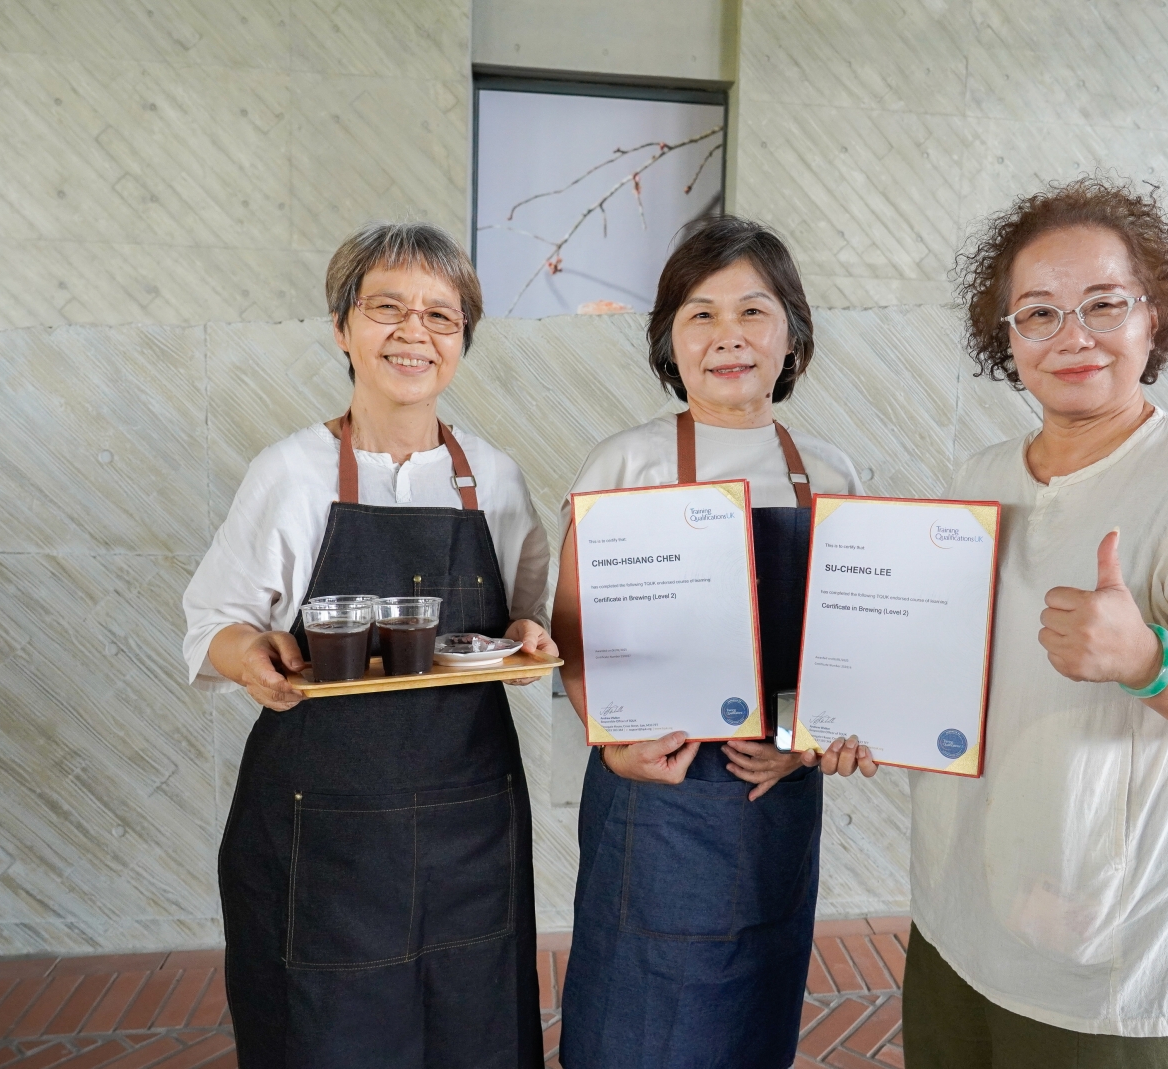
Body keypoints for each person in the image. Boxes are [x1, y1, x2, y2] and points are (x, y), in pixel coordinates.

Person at [903, 178, 1168, 1068]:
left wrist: (1149, 657)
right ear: (1006, 336)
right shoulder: (977, 479)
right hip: (964, 906)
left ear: (1154, 316)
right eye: (1039, 313)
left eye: (1104, 303)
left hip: (1120, 942)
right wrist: (859, 719)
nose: (1073, 337)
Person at [181, 222, 553, 1067]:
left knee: (475, 1025)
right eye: (388, 308)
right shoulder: (292, 471)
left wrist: (529, 636)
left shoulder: (494, 477)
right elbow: (212, 622)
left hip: (470, 819)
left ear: (462, 339)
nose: (414, 332)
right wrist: (249, 655)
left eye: (440, 315)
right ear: (342, 327)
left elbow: (526, 619)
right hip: (324, 829)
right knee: (329, 1031)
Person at [552, 216, 877, 1069]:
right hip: (651, 795)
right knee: (632, 1021)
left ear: (792, 335)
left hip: (775, 797)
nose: (728, 335)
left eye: (753, 312)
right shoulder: (627, 463)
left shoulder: (830, 475)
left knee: (754, 1020)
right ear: (670, 341)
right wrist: (612, 740)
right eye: (701, 314)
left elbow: (848, 646)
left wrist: (804, 744)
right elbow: (574, 630)